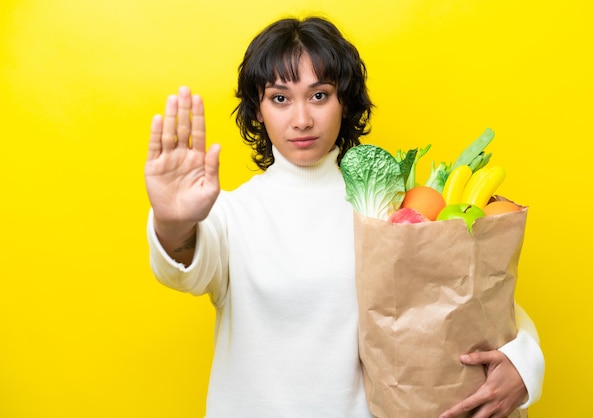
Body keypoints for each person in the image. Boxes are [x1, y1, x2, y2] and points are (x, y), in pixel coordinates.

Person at [144, 16, 544, 418]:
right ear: (258, 110)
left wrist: (524, 363)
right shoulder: (231, 215)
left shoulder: (389, 208)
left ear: (345, 101)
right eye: (280, 98)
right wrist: (172, 221)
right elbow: (184, 264)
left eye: (319, 95)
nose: (301, 119)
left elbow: (470, 296)